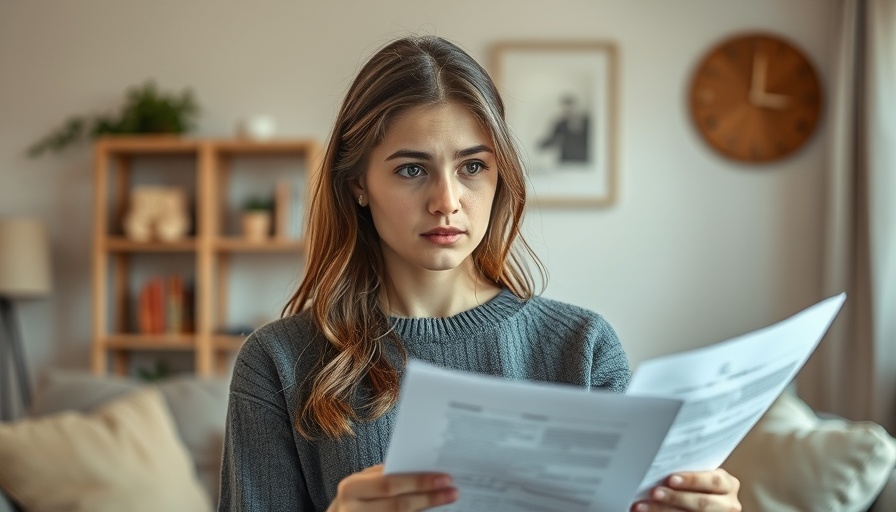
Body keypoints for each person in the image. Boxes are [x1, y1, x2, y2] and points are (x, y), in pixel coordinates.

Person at [219, 35, 741, 512]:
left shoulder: (584, 348)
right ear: (358, 184)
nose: (447, 202)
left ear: (499, 177)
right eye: (411, 169)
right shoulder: (277, 363)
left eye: (472, 167)